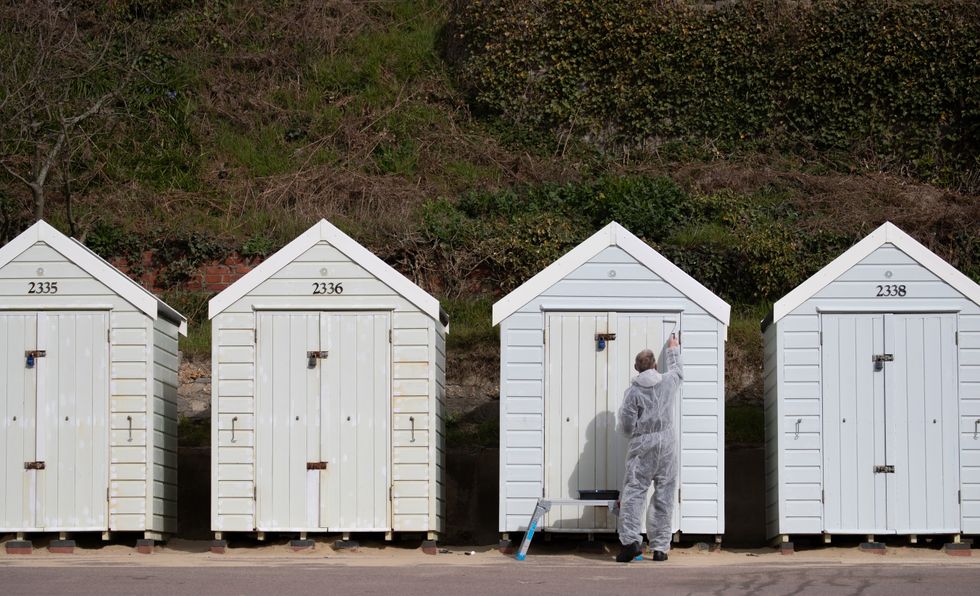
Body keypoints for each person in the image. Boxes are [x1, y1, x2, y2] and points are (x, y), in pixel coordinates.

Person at [615, 334, 683, 563]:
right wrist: (673, 349)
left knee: (635, 492)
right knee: (664, 493)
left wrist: (636, 432)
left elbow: (626, 426)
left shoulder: (633, 392)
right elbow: (678, 371)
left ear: (636, 368)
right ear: (655, 364)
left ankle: (631, 542)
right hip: (667, 445)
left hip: (643, 445)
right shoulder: (668, 381)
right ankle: (661, 548)